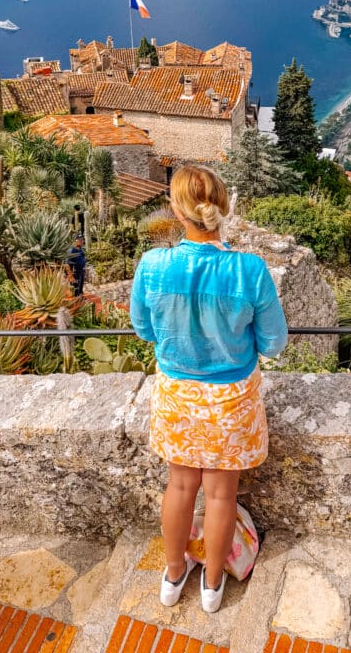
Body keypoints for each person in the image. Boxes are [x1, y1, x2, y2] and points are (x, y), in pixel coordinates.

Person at [130, 164, 287, 614]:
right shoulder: (249, 271)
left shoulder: (154, 265)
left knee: (179, 488)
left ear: (178, 213)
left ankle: (174, 575)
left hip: (178, 393)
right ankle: (214, 586)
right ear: (221, 208)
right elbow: (274, 343)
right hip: (231, 398)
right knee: (221, 494)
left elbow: (144, 330)